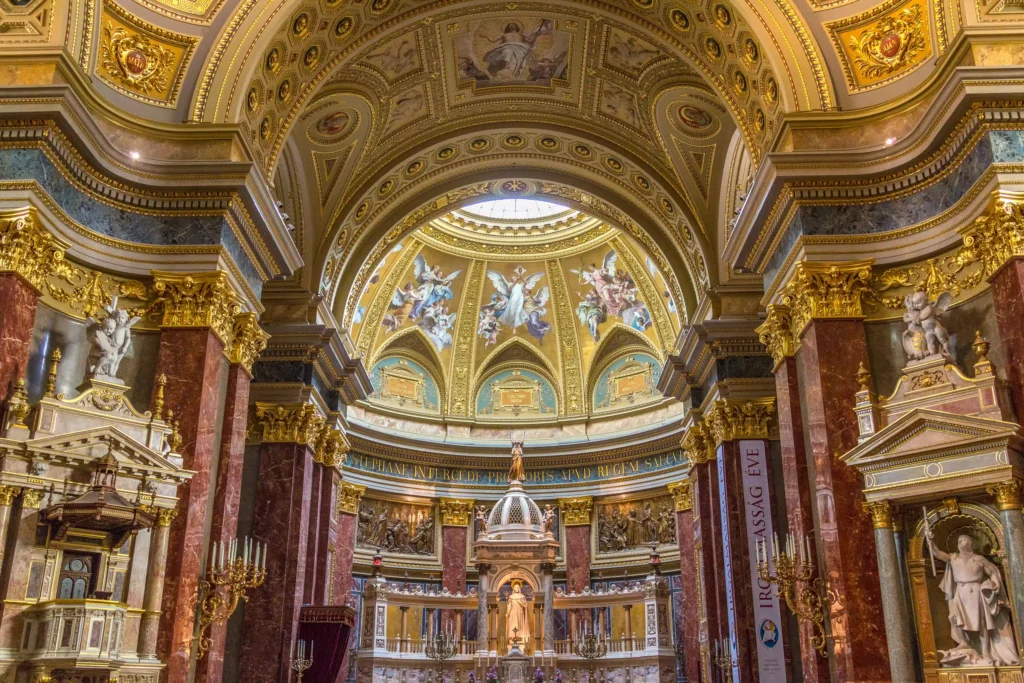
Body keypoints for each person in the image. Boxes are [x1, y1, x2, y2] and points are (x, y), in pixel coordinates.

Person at [925, 530, 1019, 666]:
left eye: (964, 540)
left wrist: (994, 583)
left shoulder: (979, 559)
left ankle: (986, 652)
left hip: (975, 592)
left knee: (981, 624)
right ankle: (964, 642)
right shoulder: (954, 557)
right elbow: (937, 553)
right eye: (959, 541)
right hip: (959, 592)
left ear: (970, 543)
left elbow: (993, 572)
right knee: (953, 618)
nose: (961, 543)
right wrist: (931, 540)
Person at [505, 581, 531, 651]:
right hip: (513, 613)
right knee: (513, 625)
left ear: (519, 588)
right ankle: (512, 638)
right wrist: (507, 613)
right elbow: (509, 606)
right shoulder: (511, 597)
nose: (516, 588)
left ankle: (520, 638)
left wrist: (522, 603)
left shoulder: (522, 597)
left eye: (517, 587)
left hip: (520, 613)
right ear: (513, 588)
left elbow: (525, 605)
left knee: (519, 626)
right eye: (515, 587)